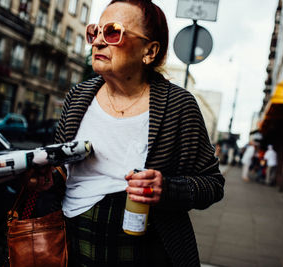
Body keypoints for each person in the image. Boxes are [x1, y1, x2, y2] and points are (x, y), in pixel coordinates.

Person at [26, 1, 225, 266]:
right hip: (72, 247)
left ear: (149, 51)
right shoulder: (77, 97)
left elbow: (212, 184)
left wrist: (167, 189)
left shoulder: (178, 106)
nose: (97, 42)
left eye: (112, 32)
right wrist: (47, 178)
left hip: (147, 254)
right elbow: (61, 173)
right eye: (95, 32)